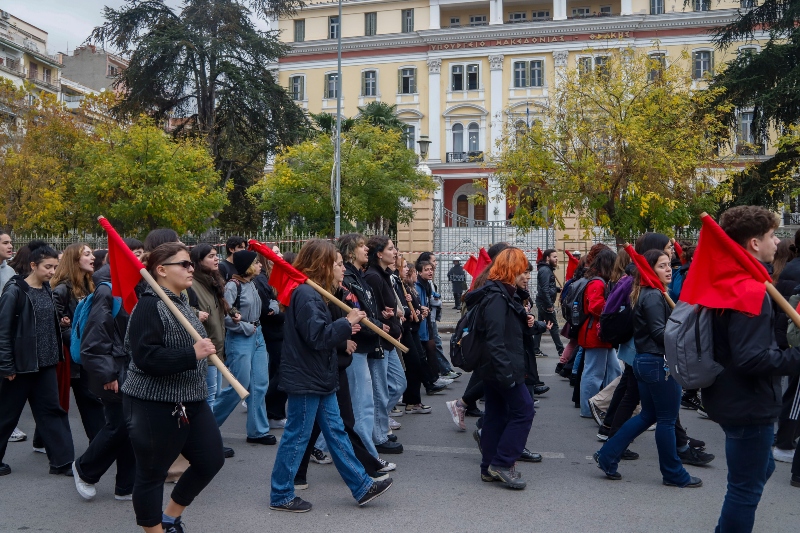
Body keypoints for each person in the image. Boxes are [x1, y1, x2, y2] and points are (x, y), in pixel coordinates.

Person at [269, 239, 393, 512]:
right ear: (323, 265)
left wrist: (343, 325)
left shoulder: (315, 294)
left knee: (336, 432)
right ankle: (280, 494)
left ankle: (361, 486)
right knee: (297, 436)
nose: (341, 268)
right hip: (307, 377)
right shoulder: (307, 294)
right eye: (337, 263)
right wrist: (346, 323)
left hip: (318, 376)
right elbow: (317, 337)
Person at [704, 206, 800, 531]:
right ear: (755, 243)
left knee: (759, 471)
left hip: (734, 398)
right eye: (772, 235)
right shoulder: (748, 289)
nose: (777, 242)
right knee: (744, 491)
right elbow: (750, 358)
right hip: (748, 404)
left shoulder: (731, 281)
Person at [123, 242, 224, 533]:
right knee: (152, 473)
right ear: (161, 270)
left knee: (210, 459)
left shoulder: (181, 301)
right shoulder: (149, 305)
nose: (191, 268)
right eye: (184, 264)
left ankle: (170, 517)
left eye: (191, 263)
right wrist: (192, 353)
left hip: (191, 399)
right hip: (154, 403)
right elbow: (145, 357)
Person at [593, 249, 701, 488]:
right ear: (650, 270)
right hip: (657, 363)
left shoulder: (653, 293)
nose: (668, 269)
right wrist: (687, 333)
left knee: (649, 415)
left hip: (648, 362)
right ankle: (673, 473)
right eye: (662, 266)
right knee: (666, 420)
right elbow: (659, 333)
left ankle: (608, 455)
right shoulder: (652, 296)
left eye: (668, 264)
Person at [464, 247, 536, 489]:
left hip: (497, 368)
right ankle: (503, 463)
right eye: (523, 270)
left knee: (496, 415)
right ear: (511, 271)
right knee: (524, 411)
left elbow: (507, 332)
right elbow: (495, 340)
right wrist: (507, 374)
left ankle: (488, 467)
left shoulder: (504, 294)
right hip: (501, 368)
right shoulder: (497, 296)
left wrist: (527, 322)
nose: (527, 275)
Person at [0, 240, 74, 476]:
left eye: (55, 267)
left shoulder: (48, 290)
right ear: (33, 265)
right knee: (6, 416)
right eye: (48, 267)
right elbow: (3, 332)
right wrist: (7, 366)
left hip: (46, 364)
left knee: (52, 411)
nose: (52, 271)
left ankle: (62, 462)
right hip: (20, 367)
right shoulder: (14, 291)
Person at [72, 253, 136, 501]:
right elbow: (95, 340)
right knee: (119, 425)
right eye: (137, 255)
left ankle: (126, 486)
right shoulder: (107, 291)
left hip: (132, 370)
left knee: (131, 427)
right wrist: (108, 373)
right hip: (114, 372)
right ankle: (85, 469)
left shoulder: (139, 289)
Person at [213, 250, 273, 445]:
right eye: (256, 263)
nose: (260, 265)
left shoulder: (252, 283)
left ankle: (258, 430)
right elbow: (224, 317)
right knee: (239, 386)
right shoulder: (233, 286)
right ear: (247, 266)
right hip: (241, 337)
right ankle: (209, 427)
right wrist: (246, 327)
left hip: (257, 335)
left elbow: (265, 304)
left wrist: (275, 306)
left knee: (260, 384)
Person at [50, 243, 106, 444]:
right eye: (87, 254)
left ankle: (99, 443)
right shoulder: (62, 289)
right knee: (61, 402)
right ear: (75, 260)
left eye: (92, 254)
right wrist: (76, 336)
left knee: (90, 400)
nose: (93, 257)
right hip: (69, 357)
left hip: (86, 352)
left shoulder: (90, 285)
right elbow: (56, 326)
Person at [363, 236, 407, 455]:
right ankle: (378, 434)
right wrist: (384, 316)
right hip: (380, 341)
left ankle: (378, 423)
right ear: (379, 254)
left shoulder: (386, 274)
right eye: (391, 248)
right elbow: (373, 309)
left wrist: (393, 314)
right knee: (379, 391)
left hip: (389, 341)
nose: (395, 251)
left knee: (399, 384)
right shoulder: (373, 276)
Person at [578, 248, 622, 418]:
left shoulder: (594, 280)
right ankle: (588, 409)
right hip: (596, 333)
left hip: (596, 333)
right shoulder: (598, 283)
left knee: (613, 371)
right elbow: (595, 307)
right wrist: (614, 309)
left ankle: (600, 405)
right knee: (594, 373)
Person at [252, 252, 288, 430]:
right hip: (273, 332)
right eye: (275, 255)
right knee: (282, 372)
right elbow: (268, 311)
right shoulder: (261, 281)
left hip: (279, 331)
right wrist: (282, 310)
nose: (279, 257)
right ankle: (270, 409)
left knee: (278, 371)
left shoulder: (272, 278)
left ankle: (271, 410)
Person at [0, 232, 27, 444]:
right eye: (5, 243)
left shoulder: (9, 270)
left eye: (10, 242)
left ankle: (9, 426)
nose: (11, 246)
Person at [533, 249, 564, 358]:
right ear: (547, 258)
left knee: (540, 326)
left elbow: (548, 287)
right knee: (554, 327)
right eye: (554, 257)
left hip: (543, 302)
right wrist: (550, 305)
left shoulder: (546, 269)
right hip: (545, 304)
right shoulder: (545, 270)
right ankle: (561, 350)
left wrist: (558, 289)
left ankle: (535, 349)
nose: (556, 259)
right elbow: (544, 289)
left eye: (557, 257)